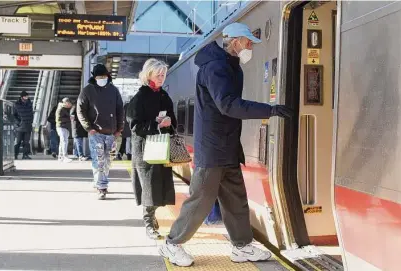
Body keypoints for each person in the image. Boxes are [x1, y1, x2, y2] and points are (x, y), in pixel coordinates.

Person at [159, 23, 294, 267]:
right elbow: (228, 105)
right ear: (234, 41)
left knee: (235, 199)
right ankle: (172, 244)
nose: (251, 46)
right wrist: (270, 109)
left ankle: (242, 246)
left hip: (227, 146)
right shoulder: (215, 68)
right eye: (248, 41)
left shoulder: (230, 67)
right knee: (200, 199)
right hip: (213, 148)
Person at [126, 58, 177, 240]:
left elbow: (173, 118)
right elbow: (134, 125)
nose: (162, 77)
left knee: (159, 187)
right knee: (149, 188)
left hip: (161, 147)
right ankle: (149, 223)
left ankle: (152, 218)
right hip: (145, 150)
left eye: (164, 74)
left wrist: (169, 122)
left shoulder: (164, 96)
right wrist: (155, 124)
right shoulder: (139, 97)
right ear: (149, 75)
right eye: (159, 74)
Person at [77, 64, 124, 200]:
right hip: (95, 132)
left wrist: (119, 129)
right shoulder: (87, 91)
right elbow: (80, 110)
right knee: (99, 160)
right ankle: (101, 187)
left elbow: (120, 109)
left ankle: (99, 181)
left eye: (103, 76)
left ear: (107, 76)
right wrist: (88, 128)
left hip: (111, 132)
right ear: (94, 77)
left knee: (108, 160)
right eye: (99, 77)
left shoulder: (114, 90)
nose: (101, 79)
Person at [13, 91, 34, 160]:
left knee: (26, 142)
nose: (27, 97)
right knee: (18, 142)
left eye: (27, 96)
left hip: (28, 126)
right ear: (22, 97)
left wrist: (31, 121)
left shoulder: (29, 103)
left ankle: (25, 155)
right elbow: (14, 115)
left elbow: (31, 114)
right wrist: (18, 123)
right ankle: (15, 155)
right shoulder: (16, 104)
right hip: (20, 127)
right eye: (25, 96)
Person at [56, 97, 73, 163]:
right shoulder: (61, 109)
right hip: (61, 127)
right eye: (69, 103)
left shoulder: (64, 109)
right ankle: (65, 156)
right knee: (64, 142)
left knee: (62, 142)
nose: (70, 105)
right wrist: (69, 118)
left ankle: (60, 157)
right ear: (66, 103)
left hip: (64, 127)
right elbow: (59, 119)